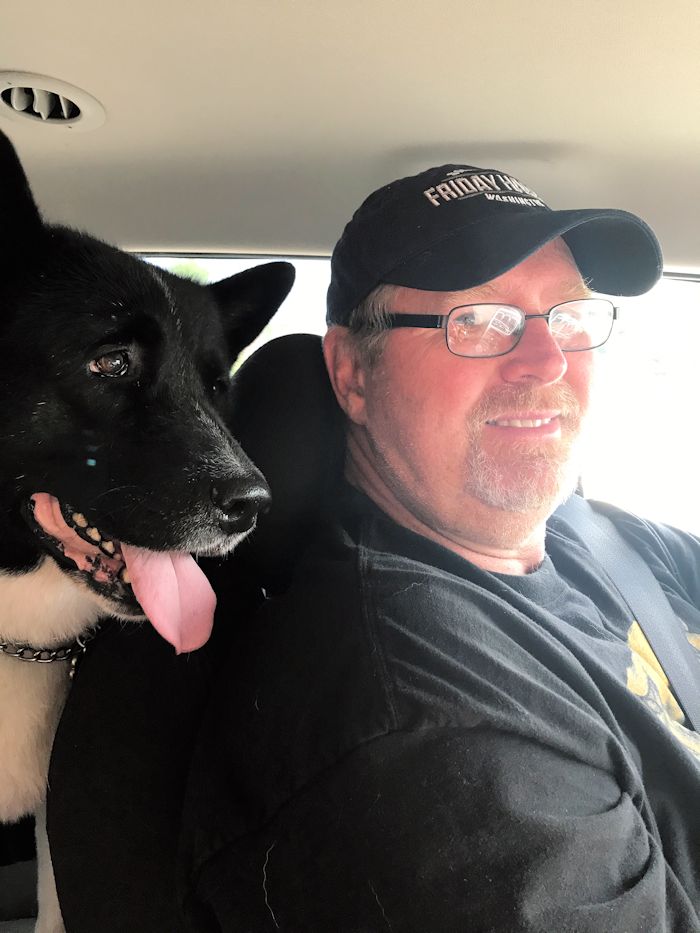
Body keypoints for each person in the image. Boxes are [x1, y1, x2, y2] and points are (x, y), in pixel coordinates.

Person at [180, 165, 700, 931]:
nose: (547, 360)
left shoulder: (600, 537)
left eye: (568, 315)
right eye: (480, 320)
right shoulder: (423, 721)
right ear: (352, 373)